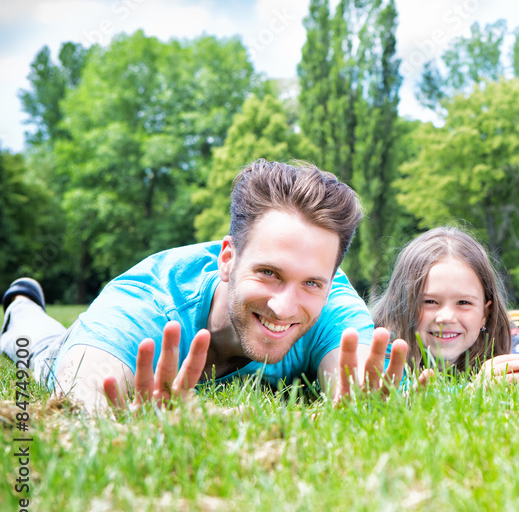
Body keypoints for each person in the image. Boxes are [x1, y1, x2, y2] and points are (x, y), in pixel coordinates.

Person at [0, 160, 407, 414]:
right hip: (60, 347)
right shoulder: (145, 303)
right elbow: (79, 397)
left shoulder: (335, 306)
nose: (284, 307)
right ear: (227, 258)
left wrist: (360, 405)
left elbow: (355, 389)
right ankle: (21, 307)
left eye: (312, 283)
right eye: (268, 273)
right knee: (34, 345)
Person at [369, 227, 519, 386]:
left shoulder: (509, 344)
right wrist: (474, 390)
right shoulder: (381, 350)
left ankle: (514, 322)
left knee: (516, 333)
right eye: (430, 301)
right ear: (400, 305)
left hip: (498, 332)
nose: (446, 317)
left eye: (463, 303)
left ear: (485, 312)